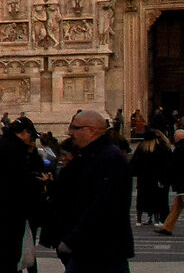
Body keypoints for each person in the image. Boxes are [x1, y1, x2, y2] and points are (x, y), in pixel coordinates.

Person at [47, 110, 134, 273]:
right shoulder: (88, 155)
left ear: (91, 130)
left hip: (102, 247)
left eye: (75, 128)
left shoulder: (109, 158)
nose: (70, 132)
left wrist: (73, 239)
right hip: (88, 247)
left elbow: (103, 206)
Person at [0, 119, 43, 273]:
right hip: (9, 210)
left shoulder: (2, 146)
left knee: (4, 252)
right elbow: (19, 180)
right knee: (9, 253)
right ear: (23, 133)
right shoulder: (14, 149)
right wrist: (39, 184)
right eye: (31, 136)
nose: (32, 140)